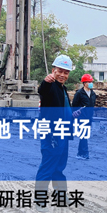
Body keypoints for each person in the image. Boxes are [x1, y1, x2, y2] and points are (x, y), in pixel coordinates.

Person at [37, 54, 74, 191]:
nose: (62, 75)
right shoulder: (51, 86)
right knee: (48, 166)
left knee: (59, 167)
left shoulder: (63, 89)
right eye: (60, 71)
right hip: (52, 135)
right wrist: (46, 81)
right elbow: (43, 90)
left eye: (66, 72)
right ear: (53, 71)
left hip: (63, 133)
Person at [72, 74, 96, 160]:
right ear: (84, 83)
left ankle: (80, 153)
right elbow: (74, 106)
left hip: (89, 117)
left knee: (84, 135)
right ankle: (85, 153)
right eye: (89, 82)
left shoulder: (93, 94)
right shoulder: (79, 93)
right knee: (84, 135)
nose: (91, 83)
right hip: (81, 117)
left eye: (91, 82)